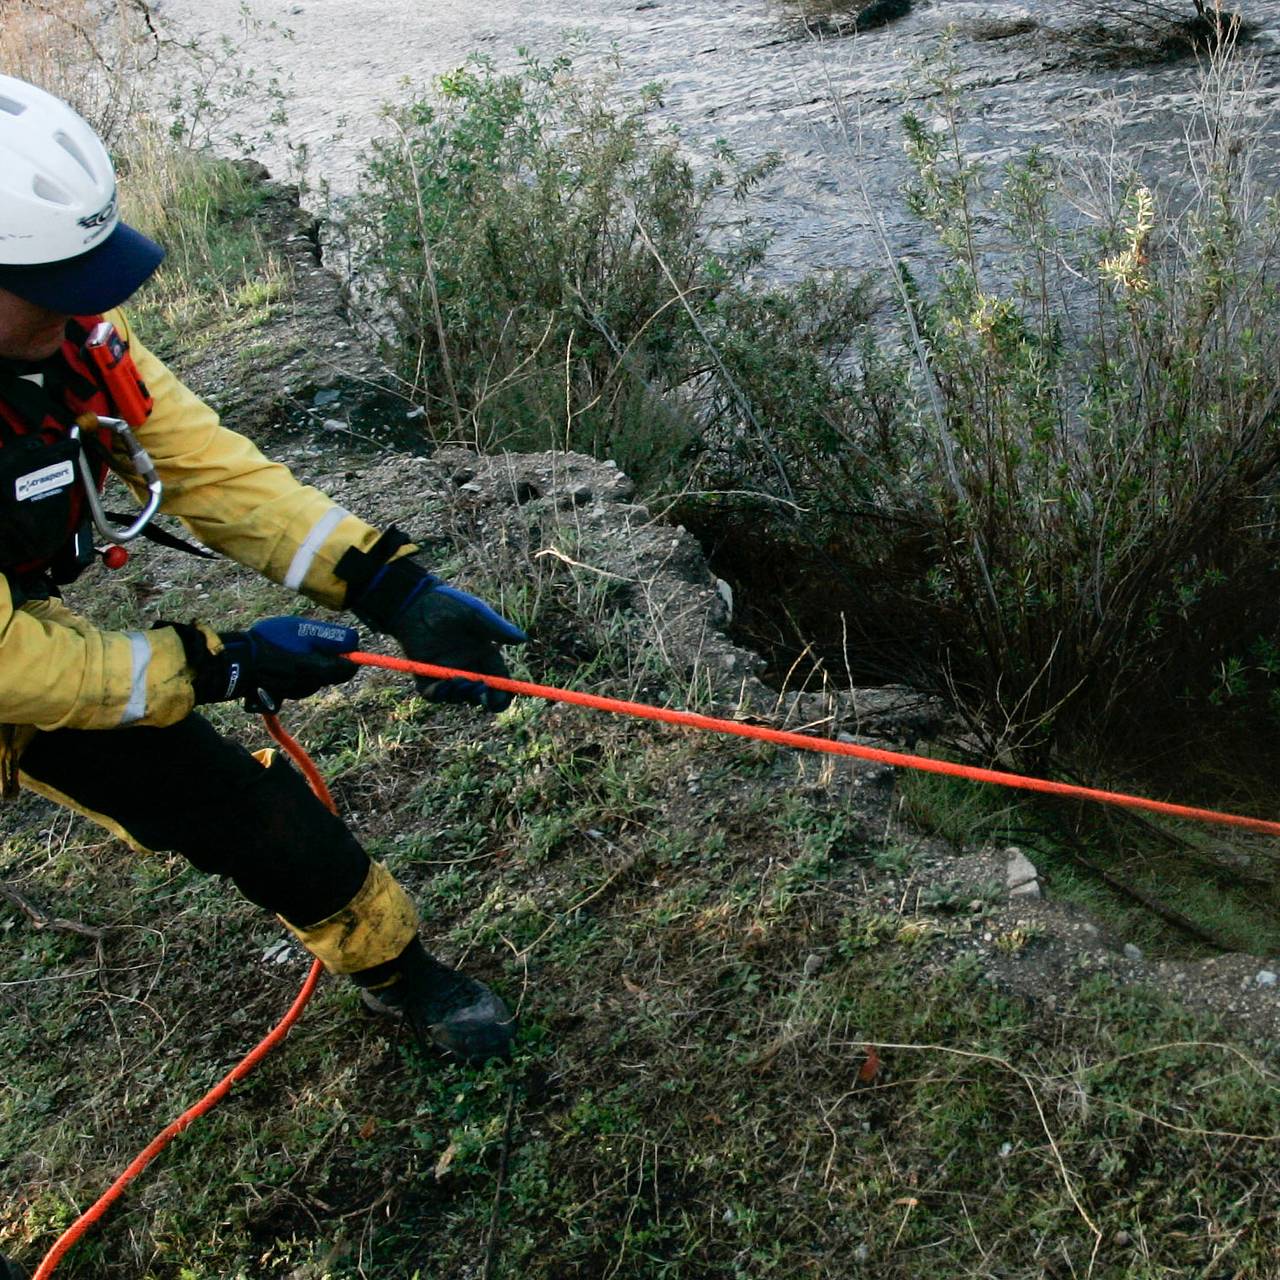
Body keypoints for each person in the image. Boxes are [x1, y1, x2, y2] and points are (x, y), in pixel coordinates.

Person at [0, 77, 527, 1090]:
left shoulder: (71, 339)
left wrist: (389, 585)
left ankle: (399, 968)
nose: (90, 304)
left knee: (244, 809)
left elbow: (207, 472)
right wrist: (214, 663)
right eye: (59, 281)